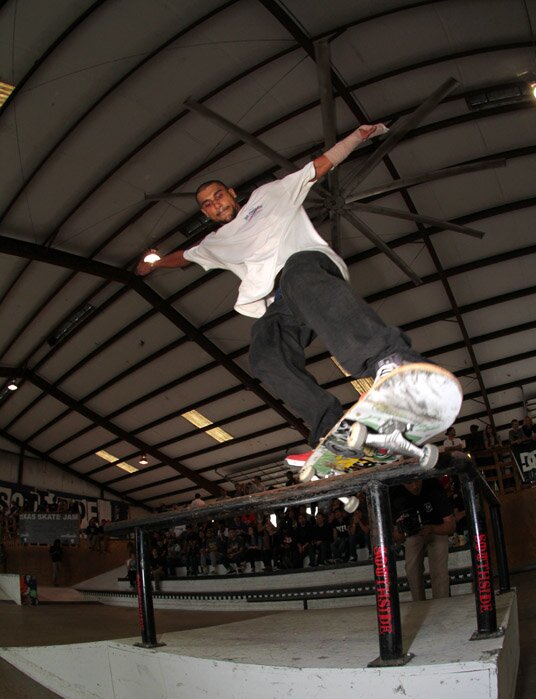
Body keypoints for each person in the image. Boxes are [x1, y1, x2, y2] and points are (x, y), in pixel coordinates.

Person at [135, 124, 459, 459]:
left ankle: (392, 361)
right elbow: (182, 258)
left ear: (231, 193)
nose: (216, 204)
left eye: (218, 195)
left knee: (296, 276)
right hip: (279, 302)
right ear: (205, 213)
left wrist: (357, 137)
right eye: (207, 204)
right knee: (264, 354)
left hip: (308, 267)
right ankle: (329, 426)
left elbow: (319, 166)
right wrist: (154, 265)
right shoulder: (214, 243)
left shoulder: (269, 194)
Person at [391, 479, 456, 602]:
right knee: (411, 568)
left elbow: (451, 526)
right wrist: (402, 529)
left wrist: (432, 528)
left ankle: (442, 603)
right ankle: (418, 603)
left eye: (417, 481)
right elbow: (395, 536)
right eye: (409, 482)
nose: (415, 486)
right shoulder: (396, 494)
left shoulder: (434, 486)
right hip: (413, 533)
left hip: (437, 528)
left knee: (439, 568)